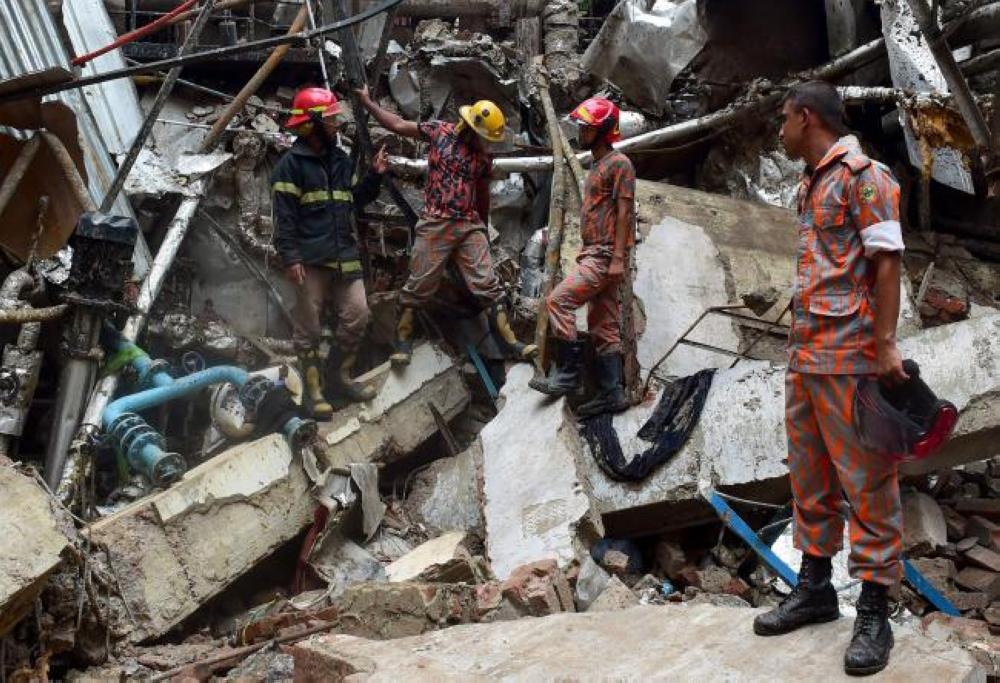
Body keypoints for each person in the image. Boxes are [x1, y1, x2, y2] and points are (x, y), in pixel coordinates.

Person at [753, 80, 906, 677]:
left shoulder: (865, 177)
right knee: (810, 480)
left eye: (783, 120)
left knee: (868, 484)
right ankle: (815, 588)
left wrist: (886, 343)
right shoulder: (812, 179)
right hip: (807, 357)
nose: (780, 132)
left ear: (806, 117)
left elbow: (887, 261)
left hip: (850, 358)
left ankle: (874, 612)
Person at [353, 86, 536, 367]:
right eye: (484, 137)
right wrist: (367, 102)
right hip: (436, 222)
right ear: (472, 128)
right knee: (419, 284)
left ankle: (510, 341)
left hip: (468, 224)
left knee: (487, 284)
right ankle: (402, 343)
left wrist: (483, 229)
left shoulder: (482, 160)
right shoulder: (439, 132)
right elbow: (399, 124)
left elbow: (482, 194)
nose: (487, 143)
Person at [272, 87, 388, 419]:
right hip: (309, 260)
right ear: (314, 124)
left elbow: (353, 201)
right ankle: (313, 393)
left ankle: (338, 378)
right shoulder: (289, 166)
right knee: (308, 330)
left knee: (358, 314)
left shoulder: (340, 160)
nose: (337, 124)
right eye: (333, 118)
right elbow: (285, 219)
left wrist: (374, 178)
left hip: (344, 255)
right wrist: (291, 257)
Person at [528, 97, 635, 418]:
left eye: (587, 126)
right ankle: (612, 394)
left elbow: (625, 211)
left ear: (602, 129)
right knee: (603, 325)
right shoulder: (597, 166)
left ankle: (569, 374)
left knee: (558, 301)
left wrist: (617, 257)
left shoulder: (619, 164)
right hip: (596, 253)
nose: (581, 131)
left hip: (604, 254)